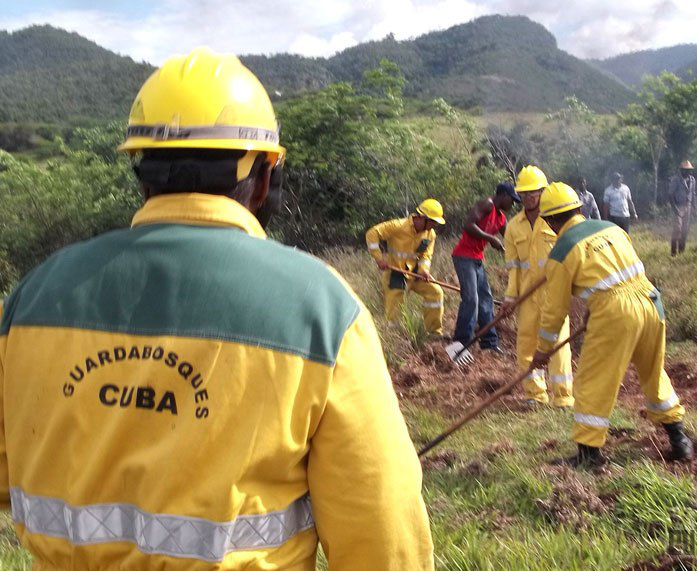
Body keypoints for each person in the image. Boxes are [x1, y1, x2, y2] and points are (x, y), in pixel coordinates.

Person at [0, 49, 434, 570]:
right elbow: (380, 531)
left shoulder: (33, 297)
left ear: (140, 172)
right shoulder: (320, 310)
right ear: (264, 175)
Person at [531, 182, 693, 467]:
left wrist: (543, 350)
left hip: (617, 313)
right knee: (653, 373)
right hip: (651, 301)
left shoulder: (561, 251)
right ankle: (679, 439)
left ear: (551, 221)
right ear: (579, 209)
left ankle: (589, 456)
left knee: (592, 382)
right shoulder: (612, 229)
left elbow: (554, 312)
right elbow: (617, 275)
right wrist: (593, 311)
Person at [503, 166, 574, 407]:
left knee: (557, 343)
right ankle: (535, 394)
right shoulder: (513, 227)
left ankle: (563, 396)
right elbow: (514, 267)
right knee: (526, 343)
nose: (528, 198)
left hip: (554, 293)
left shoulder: (555, 221)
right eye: (523, 194)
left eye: (533, 193)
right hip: (526, 297)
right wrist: (511, 297)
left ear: (543, 192)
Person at [451, 182, 518, 352]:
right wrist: (491, 238)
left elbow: (511, 239)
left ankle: (489, 343)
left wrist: (513, 250)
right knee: (471, 299)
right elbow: (468, 224)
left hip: (477, 259)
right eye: (512, 200)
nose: (513, 204)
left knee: (486, 300)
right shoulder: (487, 204)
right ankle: (461, 344)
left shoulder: (501, 218)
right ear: (503, 195)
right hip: (464, 256)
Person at [367, 199, 446, 337]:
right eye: (433, 221)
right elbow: (372, 233)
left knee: (436, 292)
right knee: (395, 314)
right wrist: (379, 258)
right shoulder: (398, 226)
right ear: (422, 218)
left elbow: (426, 255)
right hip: (395, 274)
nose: (434, 225)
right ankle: (395, 340)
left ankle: (434, 334)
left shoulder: (430, 234)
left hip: (415, 274)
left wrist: (424, 270)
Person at [668, 160, 697, 256]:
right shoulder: (675, 180)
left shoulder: (692, 180)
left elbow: (693, 195)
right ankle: (673, 251)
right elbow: (671, 195)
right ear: (681, 170)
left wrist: (694, 209)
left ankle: (681, 250)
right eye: (685, 170)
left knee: (685, 229)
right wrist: (675, 209)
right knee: (677, 229)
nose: (687, 172)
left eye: (689, 170)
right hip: (678, 206)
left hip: (687, 206)